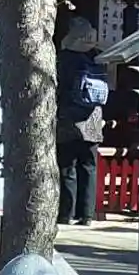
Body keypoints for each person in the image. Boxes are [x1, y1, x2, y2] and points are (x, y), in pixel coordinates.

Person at [55, 17, 109, 226]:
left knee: (68, 167)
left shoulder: (64, 59)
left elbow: (59, 87)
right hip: (93, 119)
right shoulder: (97, 58)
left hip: (69, 118)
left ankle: (66, 213)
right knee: (89, 166)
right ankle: (86, 214)